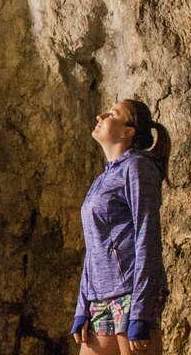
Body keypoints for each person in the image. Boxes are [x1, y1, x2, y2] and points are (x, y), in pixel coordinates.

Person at [70, 98, 170, 354]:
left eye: (112, 114)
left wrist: (141, 310)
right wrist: (82, 306)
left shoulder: (137, 167)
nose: (100, 116)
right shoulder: (103, 178)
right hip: (99, 297)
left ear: (128, 132)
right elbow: (95, 248)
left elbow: (148, 235)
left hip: (131, 293)